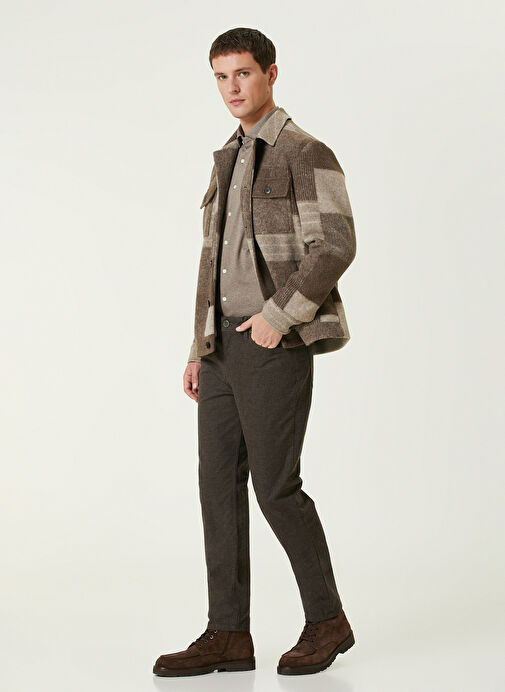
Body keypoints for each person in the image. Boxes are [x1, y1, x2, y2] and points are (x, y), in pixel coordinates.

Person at [153, 26, 357, 678]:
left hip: (274, 341)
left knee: (275, 488)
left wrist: (277, 317)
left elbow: (335, 245)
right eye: (221, 77)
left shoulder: (304, 151)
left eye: (242, 73)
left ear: (270, 73)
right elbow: (212, 261)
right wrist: (198, 346)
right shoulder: (227, 157)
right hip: (221, 347)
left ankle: (327, 620)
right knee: (216, 488)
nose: (231, 88)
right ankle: (227, 634)